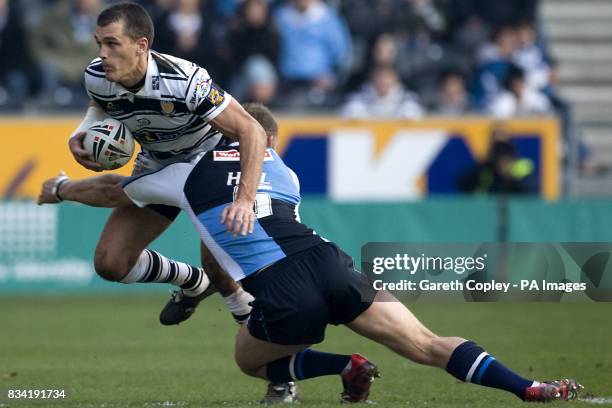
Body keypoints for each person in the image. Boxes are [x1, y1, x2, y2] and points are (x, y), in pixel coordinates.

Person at [39, 129, 582, 404]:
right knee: (429, 344)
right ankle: (529, 389)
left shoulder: (184, 172)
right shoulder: (281, 167)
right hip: (330, 262)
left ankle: (345, 365)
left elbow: (113, 189)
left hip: (282, 286)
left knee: (251, 361)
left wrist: (61, 188)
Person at [64, 2, 265, 332]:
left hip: (207, 162)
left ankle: (265, 348)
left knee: (219, 265)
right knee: (110, 263)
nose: (102, 53)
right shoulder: (96, 76)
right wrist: (82, 131)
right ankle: (194, 282)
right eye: (99, 42)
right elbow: (99, 105)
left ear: (141, 45)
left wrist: (244, 200)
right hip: (157, 163)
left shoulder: (185, 81)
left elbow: (250, 129)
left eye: (112, 43)